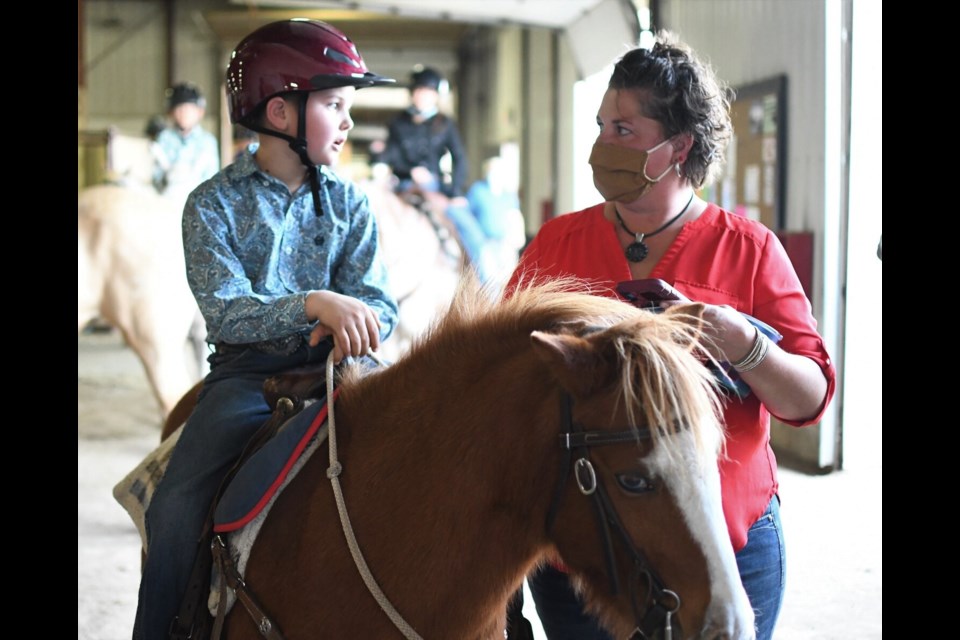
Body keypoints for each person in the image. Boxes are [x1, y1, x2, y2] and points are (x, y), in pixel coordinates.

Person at [506, 31, 836, 640]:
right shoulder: (557, 245)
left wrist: (743, 342)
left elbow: (808, 400)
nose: (600, 146)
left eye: (622, 131)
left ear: (676, 146)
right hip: (584, 555)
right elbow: (505, 387)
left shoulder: (750, 250)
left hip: (723, 548)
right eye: (601, 126)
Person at [133, 19, 399, 640]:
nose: (348, 122)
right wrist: (313, 304)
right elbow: (227, 311)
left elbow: (379, 302)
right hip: (245, 380)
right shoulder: (211, 204)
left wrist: (357, 320)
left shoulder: (351, 203)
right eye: (335, 105)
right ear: (281, 110)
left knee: (447, 447)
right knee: (173, 510)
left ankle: (503, 622)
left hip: (345, 368)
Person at [371, 67, 491, 281]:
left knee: (472, 233)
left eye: (427, 92)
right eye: (418, 91)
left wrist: (454, 193)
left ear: (435, 95)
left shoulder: (445, 124)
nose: (421, 96)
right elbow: (390, 154)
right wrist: (410, 170)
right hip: (404, 185)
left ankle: (485, 289)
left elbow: (460, 158)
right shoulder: (398, 123)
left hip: (435, 187)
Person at [151, 82, 221, 206]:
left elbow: (212, 178)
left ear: (200, 112)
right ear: (171, 112)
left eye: (189, 108)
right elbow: (155, 176)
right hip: (166, 203)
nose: (184, 113)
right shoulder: (164, 138)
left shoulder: (207, 141)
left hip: (198, 204)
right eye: (179, 109)